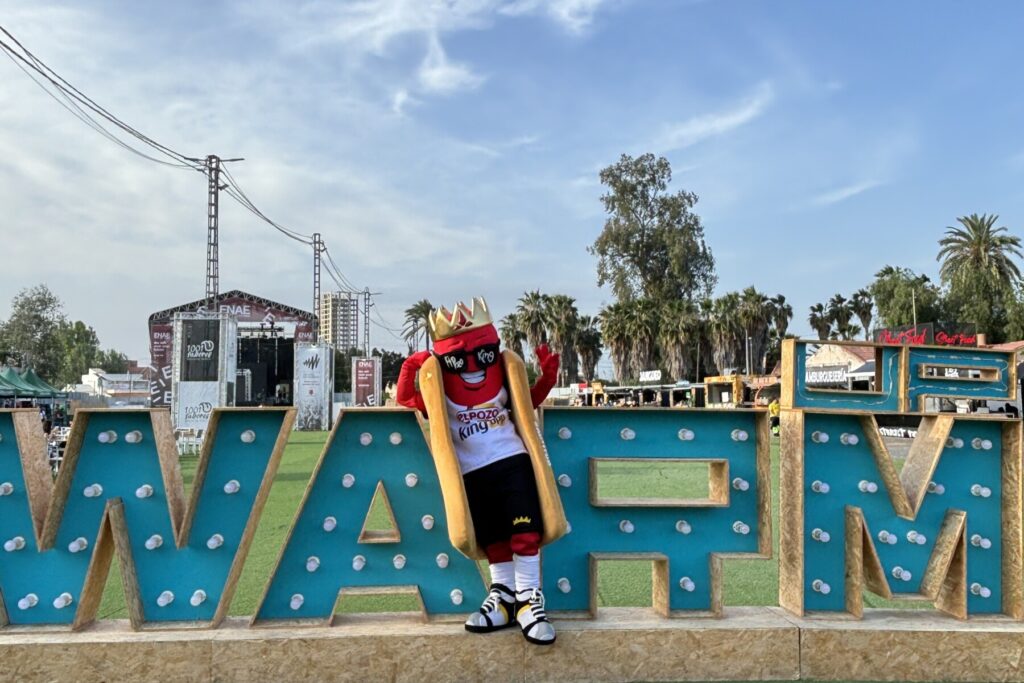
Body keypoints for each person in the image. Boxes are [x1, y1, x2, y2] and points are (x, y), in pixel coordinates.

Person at [396, 298, 560, 645]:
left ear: (495, 352)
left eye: (484, 356)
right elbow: (406, 399)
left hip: (513, 462)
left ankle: (530, 598)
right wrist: (413, 368)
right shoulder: (440, 397)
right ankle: (503, 597)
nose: (473, 367)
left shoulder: (504, 381)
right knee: (494, 540)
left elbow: (529, 401)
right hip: (472, 473)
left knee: (524, 534)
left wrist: (548, 377)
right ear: (443, 361)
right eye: (457, 361)